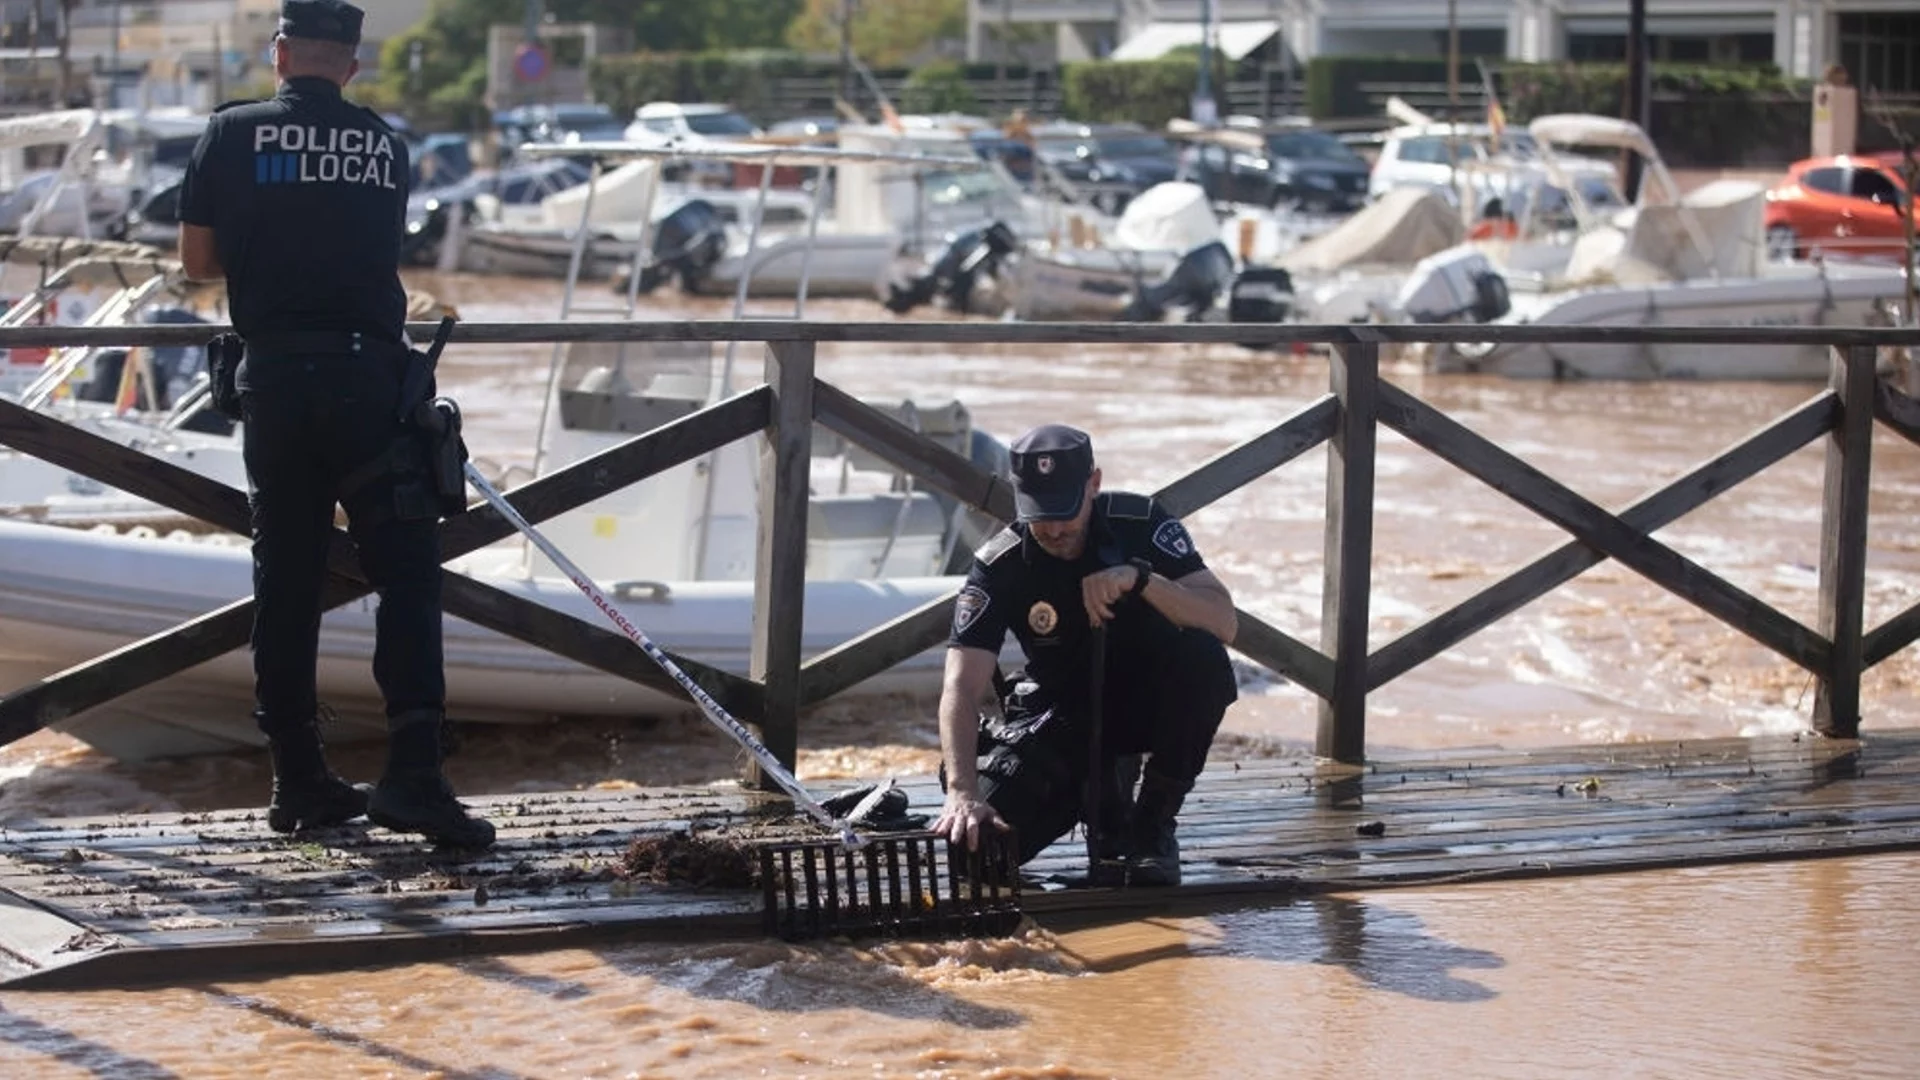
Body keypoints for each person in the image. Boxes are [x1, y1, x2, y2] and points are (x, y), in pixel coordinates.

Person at [177, 0, 493, 848]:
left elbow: (198, 265)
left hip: (275, 382)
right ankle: (414, 777)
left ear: (280, 55)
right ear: (350, 67)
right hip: (369, 383)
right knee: (410, 576)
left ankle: (300, 780)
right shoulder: (384, 144)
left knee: (285, 582)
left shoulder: (228, 132)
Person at [932, 424, 1239, 886]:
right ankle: (1102, 794)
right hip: (1065, 718)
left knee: (1204, 657)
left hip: (1149, 704)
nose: (1054, 529)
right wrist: (961, 792)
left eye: (1065, 511)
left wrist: (1141, 580)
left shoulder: (1141, 523)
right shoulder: (1001, 565)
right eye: (1040, 514)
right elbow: (960, 686)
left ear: (1093, 484)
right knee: (977, 857)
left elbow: (1223, 621)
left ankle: (1151, 825)